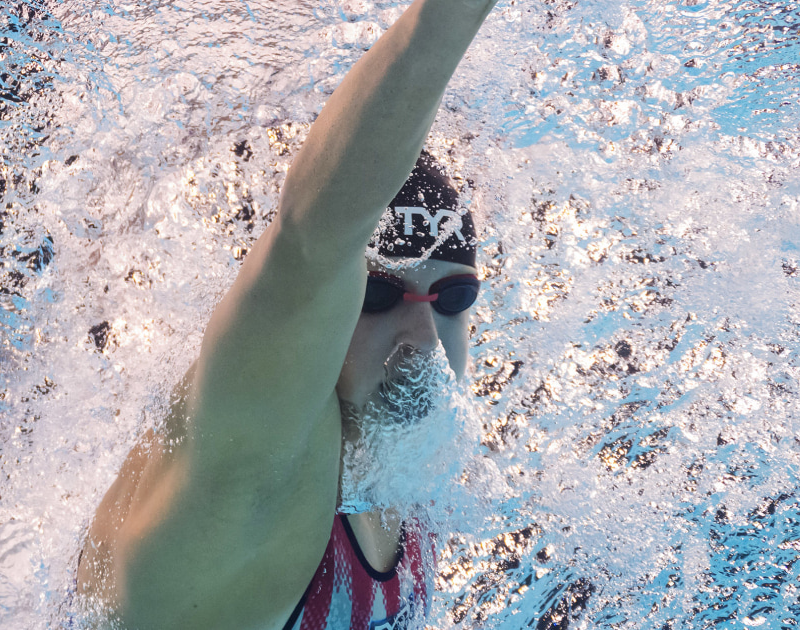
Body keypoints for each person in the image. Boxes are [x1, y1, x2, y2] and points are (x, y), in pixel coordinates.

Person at [75, 0, 499, 627]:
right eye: (375, 297)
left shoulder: (408, 483)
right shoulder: (243, 486)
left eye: (454, 299)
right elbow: (313, 242)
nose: (422, 342)